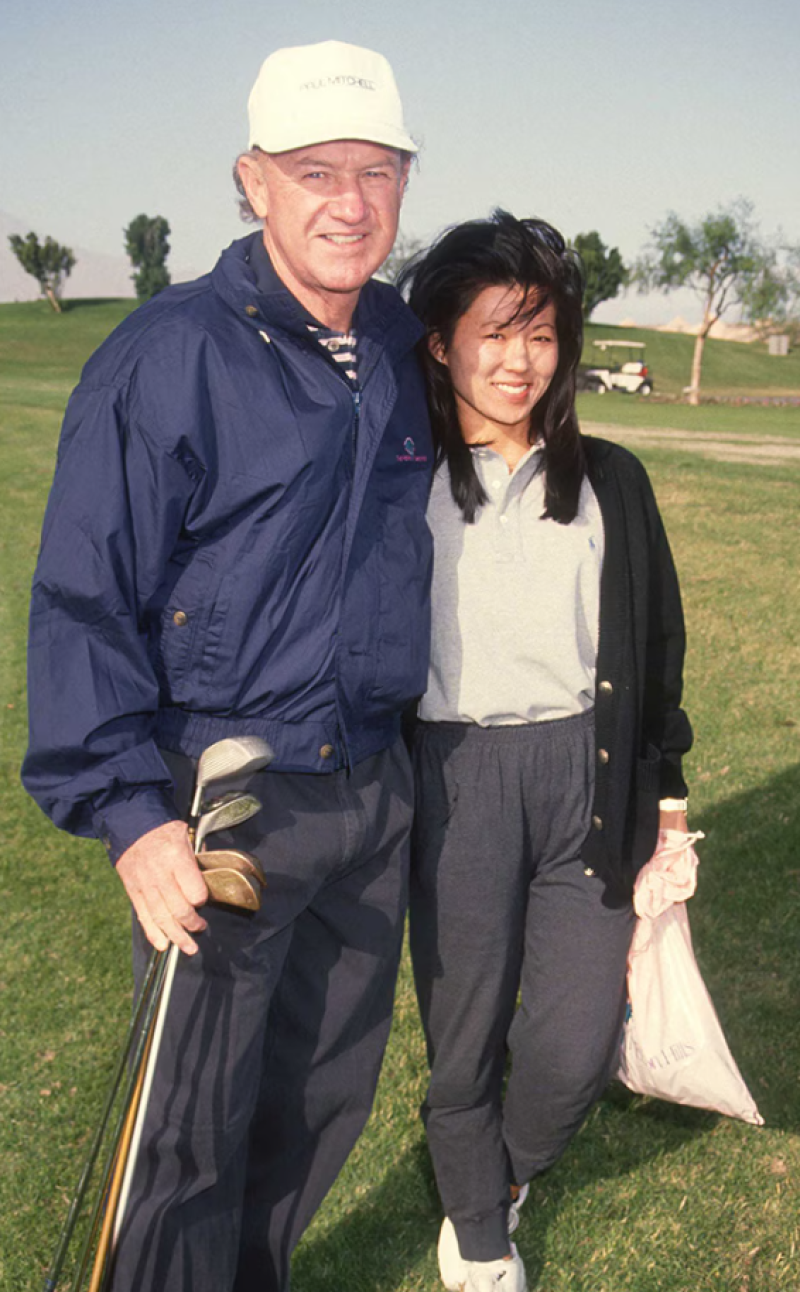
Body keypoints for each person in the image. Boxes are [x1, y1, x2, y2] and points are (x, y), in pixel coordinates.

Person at [23, 40, 433, 1292]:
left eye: (377, 171)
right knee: (188, 1132)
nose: (348, 201)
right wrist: (131, 813)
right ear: (252, 180)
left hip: (369, 790)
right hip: (227, 806)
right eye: (316, 170)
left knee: (314, 1107)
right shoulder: (168, 354)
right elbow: (84, 594)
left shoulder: (404, 350)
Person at [399, 211, 693, 1292]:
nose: (518, 360)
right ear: (439, 341)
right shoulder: (401, 478)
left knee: (573, 1041)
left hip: (589, 774)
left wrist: (664, 795)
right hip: (455, 776)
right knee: (465, 1031)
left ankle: (494, 1173)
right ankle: (478, 1233)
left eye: (541, 334)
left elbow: (655, 645)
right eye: (493, 332)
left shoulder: (611, 478)